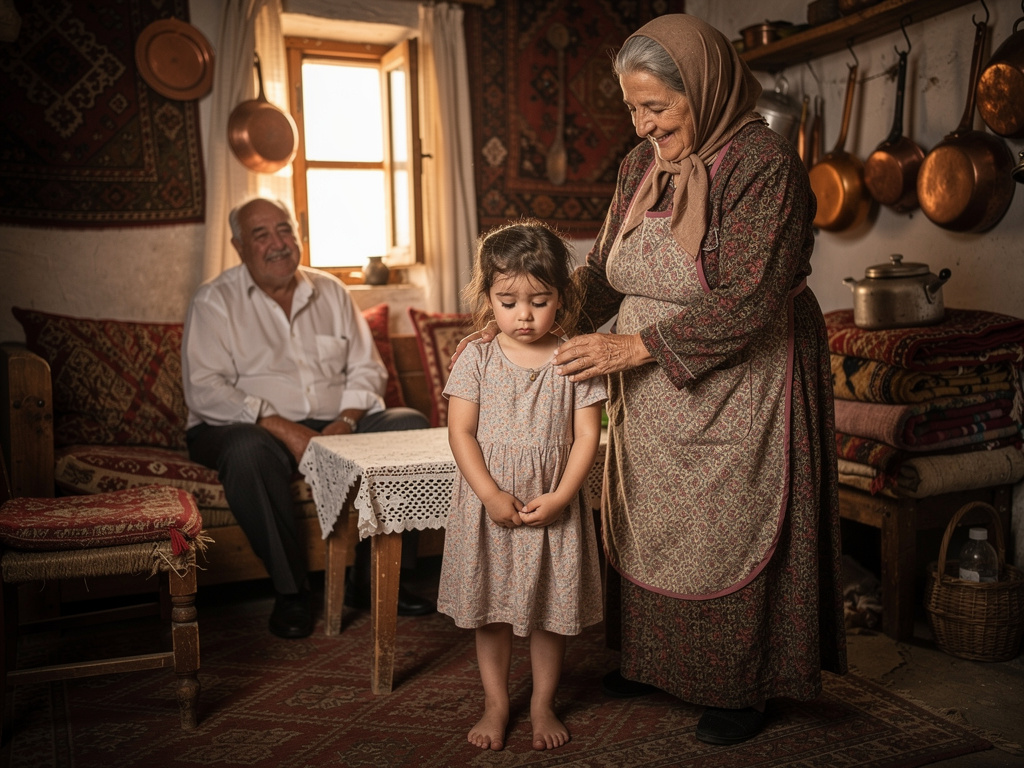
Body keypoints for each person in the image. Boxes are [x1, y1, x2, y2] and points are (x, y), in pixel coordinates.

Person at [454, 14, 847, 746]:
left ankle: (738, 685)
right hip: (649, 386)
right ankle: (654, 661)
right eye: (633, 108)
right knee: (651, 526)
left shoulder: (765, 166)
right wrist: (535, 322)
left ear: (703, 90)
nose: (641, 125)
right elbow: (605, 271)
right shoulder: (642, 165)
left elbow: (752, 298)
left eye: (656, 107)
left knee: (726, 527)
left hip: (741, 379)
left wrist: (634, 347)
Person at [182, 197, 433, 640]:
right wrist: (286, 429)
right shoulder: (214, 299)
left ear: (298, 236)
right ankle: (291, 591)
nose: (278, 243)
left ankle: (372, 581)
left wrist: (346, 422)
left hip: (335, 421)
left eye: (284, 230)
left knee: (409, 425)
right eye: (261, 235)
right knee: (247, 451)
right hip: (244, 426)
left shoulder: (330, 291)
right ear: (239, 247)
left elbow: (367, 369)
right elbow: (205, 389)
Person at [439, 220, 606, 752]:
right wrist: (489, 494)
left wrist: (562, 497)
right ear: (488, 298)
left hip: (551, 504)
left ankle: (541, 704)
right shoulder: (477, 356)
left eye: (540, 301)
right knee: (490, 613)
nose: (524, 315)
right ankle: (496, 703)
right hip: (489, 508)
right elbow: (460, 432)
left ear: (561, 297)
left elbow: (588, 436)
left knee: (549, 614)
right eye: (508, 302)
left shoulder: (574, 358)